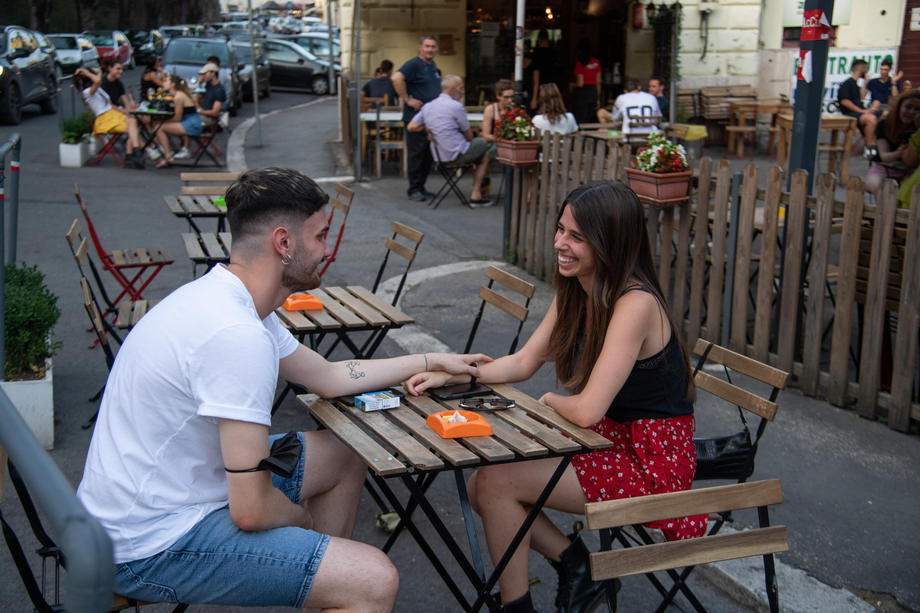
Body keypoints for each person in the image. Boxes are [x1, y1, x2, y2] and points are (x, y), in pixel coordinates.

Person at [76, 167, 486, 610]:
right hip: (143, 543)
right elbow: (252, 510)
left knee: (347, 451)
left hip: (164, 498)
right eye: (320, 236)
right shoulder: (236, 333)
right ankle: (338, 584)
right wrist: (301, 520)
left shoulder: (229, 299)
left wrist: (429, 360)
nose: (327, 250)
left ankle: (324, 586)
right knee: (373, 579)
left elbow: (329, 377)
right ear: (284, 243)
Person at [406, 180, 706, 613]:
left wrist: (548, 401)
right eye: (561, 229)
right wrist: (458, 375)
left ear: (611, 244)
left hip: (650, 464)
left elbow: (585, 411)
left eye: (576, 237)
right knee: (481, 487)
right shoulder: (579, 289)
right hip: (607, 442)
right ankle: (576, 564)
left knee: (494, 482)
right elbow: (522, 362)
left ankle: (523, 602)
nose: (560, 243)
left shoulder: (635, 303)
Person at [407, 74, 493, 207]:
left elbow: (411, 126)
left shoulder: (429, 106)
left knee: (482, 153)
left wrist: (430, 129)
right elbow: (469, 137)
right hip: (456, 153)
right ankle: (476, 193)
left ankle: (479, 190)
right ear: (452, 89)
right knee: (485, 146)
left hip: (439, 156)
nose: (463, 92)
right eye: (461, 88)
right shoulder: (456, 106)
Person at [392, 36, 442, 202]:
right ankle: (413, 189)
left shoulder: (432, 65)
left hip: (429, 118)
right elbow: (396, 77)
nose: (430, 50)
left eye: (433, 47)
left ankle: (421, 187)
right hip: (415, 118)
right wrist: (407, 100)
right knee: (417, 154)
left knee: (427, 154)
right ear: (420, 47)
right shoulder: (414, 64)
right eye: (427, 46)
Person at [73, 66, 145, 169]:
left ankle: (132, 154)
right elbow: (98, 80)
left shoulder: (98, 89)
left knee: (133, 124)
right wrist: (86, 72)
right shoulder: (87, 92)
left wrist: (86, 71)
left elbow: (99, 72)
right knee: (133, 128)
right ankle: (134, 153)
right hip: (104, 119)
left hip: (113, 114)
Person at [865, 91, 920, 200]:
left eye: (917, 109)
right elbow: (884, 156)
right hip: (884, 168)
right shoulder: (885, 125)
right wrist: (898, 153)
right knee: (879, 188)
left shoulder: (918, 130)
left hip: (910, 171)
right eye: (908, 107)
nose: (912, 112)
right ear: (899, 107)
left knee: (911, 191)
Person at [153, 75, 201, 167]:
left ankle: (168, 155)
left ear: (172, 84)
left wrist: (163, 120)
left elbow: (177, 118)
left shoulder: (178, 97)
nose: (163, 83)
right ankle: (165, 150)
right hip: (190, 121)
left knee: (159, 127)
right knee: (158, 125)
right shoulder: (177, 94)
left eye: (166, 81)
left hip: (191, 124)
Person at [838, 59, 881, 158]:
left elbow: (862, 96)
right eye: (866, 69)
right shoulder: (847, 84)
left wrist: (865, 81)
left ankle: (878, 143)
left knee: (885, 114)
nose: (867, 71)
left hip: (861, 113)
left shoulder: (856, 84)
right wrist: (862, 111)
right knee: (871, 119)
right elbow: (845, 101)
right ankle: (869, 147)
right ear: (861, 69)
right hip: (850, 114)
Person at [572, 39, 601, 125]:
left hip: (583, 94)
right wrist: (598, 98)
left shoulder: (579, 64)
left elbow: (580, 83)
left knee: (580, 120)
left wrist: (572, 85)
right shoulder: (596, 63)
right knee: (590, 119)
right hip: (593, 92)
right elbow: (598, 82)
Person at [529, 29, 557, 113]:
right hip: (552, 86)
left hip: (541, 86)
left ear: (539, 40)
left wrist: (534, 98)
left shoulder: (537, 54)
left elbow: (536, 76)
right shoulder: (554, 52)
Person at [481, 78, 515, 144]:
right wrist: (502, 139)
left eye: (512, 97)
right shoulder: (490, 109)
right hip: (494, 143)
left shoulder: (514, 109)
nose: (510, 100)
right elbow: (486, 135)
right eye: (506, 97)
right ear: (498, 96)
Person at [197, 62, 227, 127]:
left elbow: (215, 112)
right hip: (202, 114)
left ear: (213, 73)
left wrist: (199, 112)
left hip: (208, 118)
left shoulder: (219, 90)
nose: (203, 76)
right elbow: (198, 101)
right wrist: (199, 84)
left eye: (205, 74)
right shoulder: (208, 86)